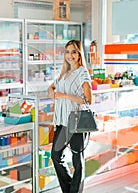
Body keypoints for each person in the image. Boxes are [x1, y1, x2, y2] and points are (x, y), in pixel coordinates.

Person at [47, 40, 92, 193]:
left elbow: (88, 100)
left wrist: (64, 96)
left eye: (73, 52)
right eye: (67, 52)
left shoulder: (82, 73)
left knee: (77, 160)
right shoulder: (64, 73)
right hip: (62, 121)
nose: (70, 55)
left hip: (76, 120)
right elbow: (53, 87)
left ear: (79, 55)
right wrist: (51, 91)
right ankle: (69, 190)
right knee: (55, 156)